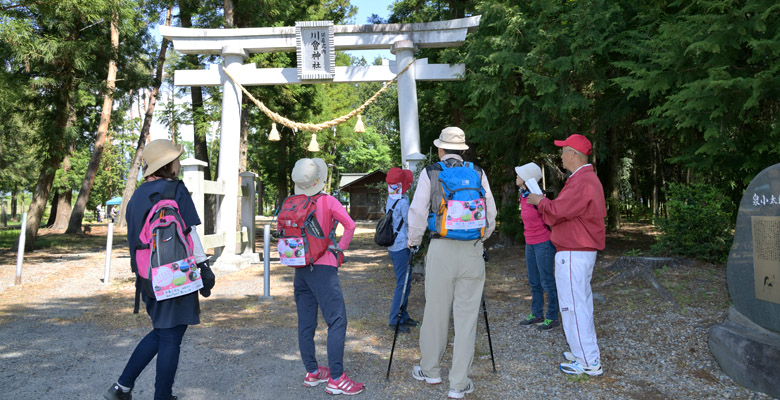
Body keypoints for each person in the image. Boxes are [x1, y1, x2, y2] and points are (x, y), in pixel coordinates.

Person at [104, 139, 212, 400]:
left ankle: (122, 387)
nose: (178, 164)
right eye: (175, 160)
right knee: (171, 337)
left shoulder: (136, 197)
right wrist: (204, 267)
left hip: (148, 278)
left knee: (163, 332)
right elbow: (190, 231)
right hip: (177, 273)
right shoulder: (175, 189)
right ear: (168, 164)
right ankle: (160, 396)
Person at [407, 127, 497, 399]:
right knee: (467, 318)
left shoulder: (430, 172)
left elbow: (418, 211)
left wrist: (414, 242)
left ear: (440, 149)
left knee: (435, 311)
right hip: (472, 250)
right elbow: (490, 214)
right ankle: (458, 384)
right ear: (464, 150)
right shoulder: (478, 173)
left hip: (441, 248)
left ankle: (431, 371)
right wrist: (480, 237)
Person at [527, 134, 606, 377]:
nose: (561, 155)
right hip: (578, 251)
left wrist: (540, 202)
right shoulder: (584, 180)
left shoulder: (583, 181)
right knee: (579, 304)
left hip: (574, 251)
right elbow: (565, 211)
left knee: (573, 306)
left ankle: (589, 362)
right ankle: (583, 351)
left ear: (573, 154)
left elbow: (558, 211)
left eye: (563, 151)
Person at [291, 158, 364, 395]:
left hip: (301, 269)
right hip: (323, 267)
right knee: (336, 320)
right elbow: (350, 225)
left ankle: (312, 372)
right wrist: (339, 248)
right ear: (318, 180)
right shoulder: (328, 201)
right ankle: (336, 378)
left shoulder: (292, 203)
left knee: (306, 323)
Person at [515, 163, 559, 331]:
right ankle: (537, 313)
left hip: (543, 243)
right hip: (530, 243)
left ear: (527, 178)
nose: (516, 176)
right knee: (534, 282)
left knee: (547, 282)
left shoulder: (537, 197)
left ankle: (552, 317)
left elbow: (551, 217)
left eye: (519, 174)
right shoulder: (523, 196)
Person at [384, 167, 418, 333]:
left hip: (394, 246)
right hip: (402, 247)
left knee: (405, 281)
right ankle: (394, 319)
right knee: (402, 284)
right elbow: (410, 223)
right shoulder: (403, 202)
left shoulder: (391, 199)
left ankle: (403, 315)